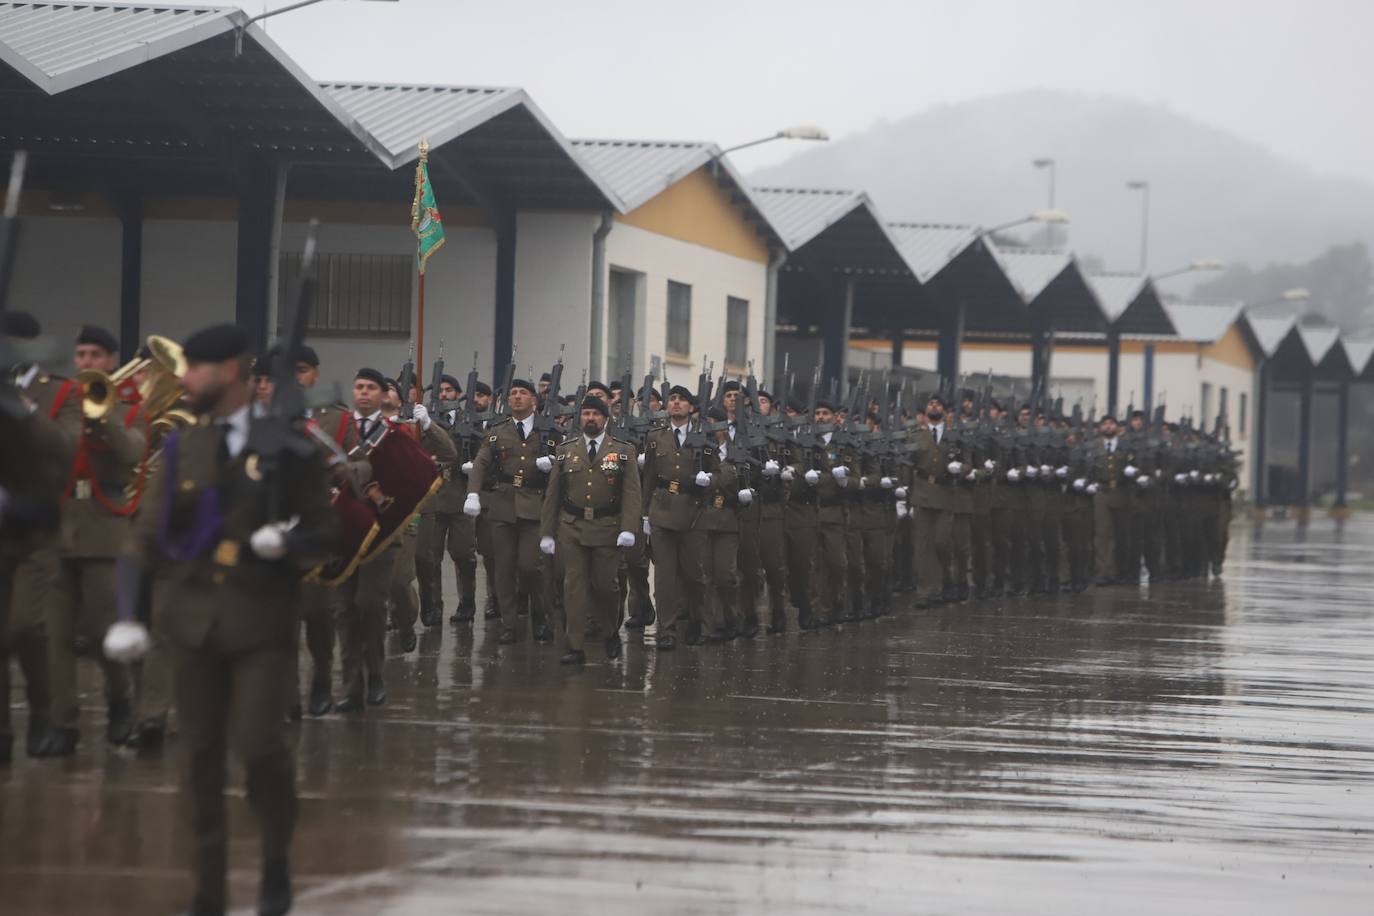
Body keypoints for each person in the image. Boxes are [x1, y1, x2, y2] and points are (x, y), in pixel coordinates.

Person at [112, 322, 336, 916]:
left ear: (230, 372)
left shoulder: (291, 448)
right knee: (199, 760)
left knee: (261, 748)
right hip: (189, 623)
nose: (183, 379)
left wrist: (285, 543)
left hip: (260, 623)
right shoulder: (184, 446)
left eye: (196, 369)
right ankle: (208, 888)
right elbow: (144, 538)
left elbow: (326, 534)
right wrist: (127, 612)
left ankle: (275, 862)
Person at [37, 324, 143, 756]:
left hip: (105, 529)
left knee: (102, 631)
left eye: (96, 355)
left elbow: (134, 453)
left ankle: (120, 700)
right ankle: (64, 725)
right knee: (56, 636)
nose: (86, 363)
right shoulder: (58, 403)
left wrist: (105, 419)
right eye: (81, 355)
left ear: (112, 362)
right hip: (59, 527)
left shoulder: (129, 405)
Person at [0, 311, 65, 764]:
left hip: (37, 532)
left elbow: (62, 446)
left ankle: (44, 714)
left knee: (24, 625)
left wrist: (22, 408)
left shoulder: (57, 392)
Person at [539, 395, 641, 664]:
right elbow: (553, 494)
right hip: (571, 526)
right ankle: (575, 645)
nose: (590, 418)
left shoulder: (622, 450)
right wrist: (547, 532)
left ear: (606, 419)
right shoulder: (566, 450)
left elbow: (632, 493)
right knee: (573, 585)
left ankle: (610, 632)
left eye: (595, 414)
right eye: (585, 414)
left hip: (607, 527)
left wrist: (629, 528)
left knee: (605, 585)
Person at [465, 377, 556, 644]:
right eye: (512, 393)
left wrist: (553, 462)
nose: (516, 397)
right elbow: (481, 463)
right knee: (503, 569)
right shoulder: (496, 432)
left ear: (534, 400)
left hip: (534, 506)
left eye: (522, 393)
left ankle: (539, 615)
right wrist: (473, 493)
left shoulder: (549, 431)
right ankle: (509, 623)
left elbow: (566, 459)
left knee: (530, 567)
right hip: (503, 506)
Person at [641, 385, 715, 649]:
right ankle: (667, 630)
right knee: (664, 576)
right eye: (672, 399)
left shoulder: (705, 436)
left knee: (694, 575)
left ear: (691, 407)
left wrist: (710, 481)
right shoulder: (654, 436)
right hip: (662, 509)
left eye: (682, 400)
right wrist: (645, 515)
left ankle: (698, 622)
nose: (675, 403)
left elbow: (717, 472)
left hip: (693, 512)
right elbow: (648, 477)